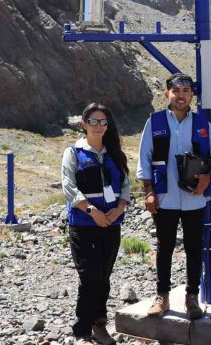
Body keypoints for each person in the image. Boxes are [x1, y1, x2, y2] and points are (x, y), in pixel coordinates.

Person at [136, 72, 211, 319]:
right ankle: (162, 296)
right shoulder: (154, 123)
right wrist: (148, 192)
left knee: (194, 249)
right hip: (164, 198)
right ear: (168, 94)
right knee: (164, 248)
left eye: (186, 91)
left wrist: (210, 175)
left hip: (195, 199)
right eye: (177, 91)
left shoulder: (202, 125)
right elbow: (144, 158)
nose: (181, 95)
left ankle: (192, 298)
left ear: (192, 95)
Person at [61, 103, 131, 345]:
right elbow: (69, 187)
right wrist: (92, 211)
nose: (99, 126)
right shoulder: (73, 153)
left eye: (103, 122)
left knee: (103, 275)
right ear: (84, 124)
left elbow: (125, 185)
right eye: (94, 121)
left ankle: (99, 324)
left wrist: (119, 208)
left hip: (111, 223)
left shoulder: (115, 153)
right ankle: (82, 330)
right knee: (89, 275)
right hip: (83, 224)